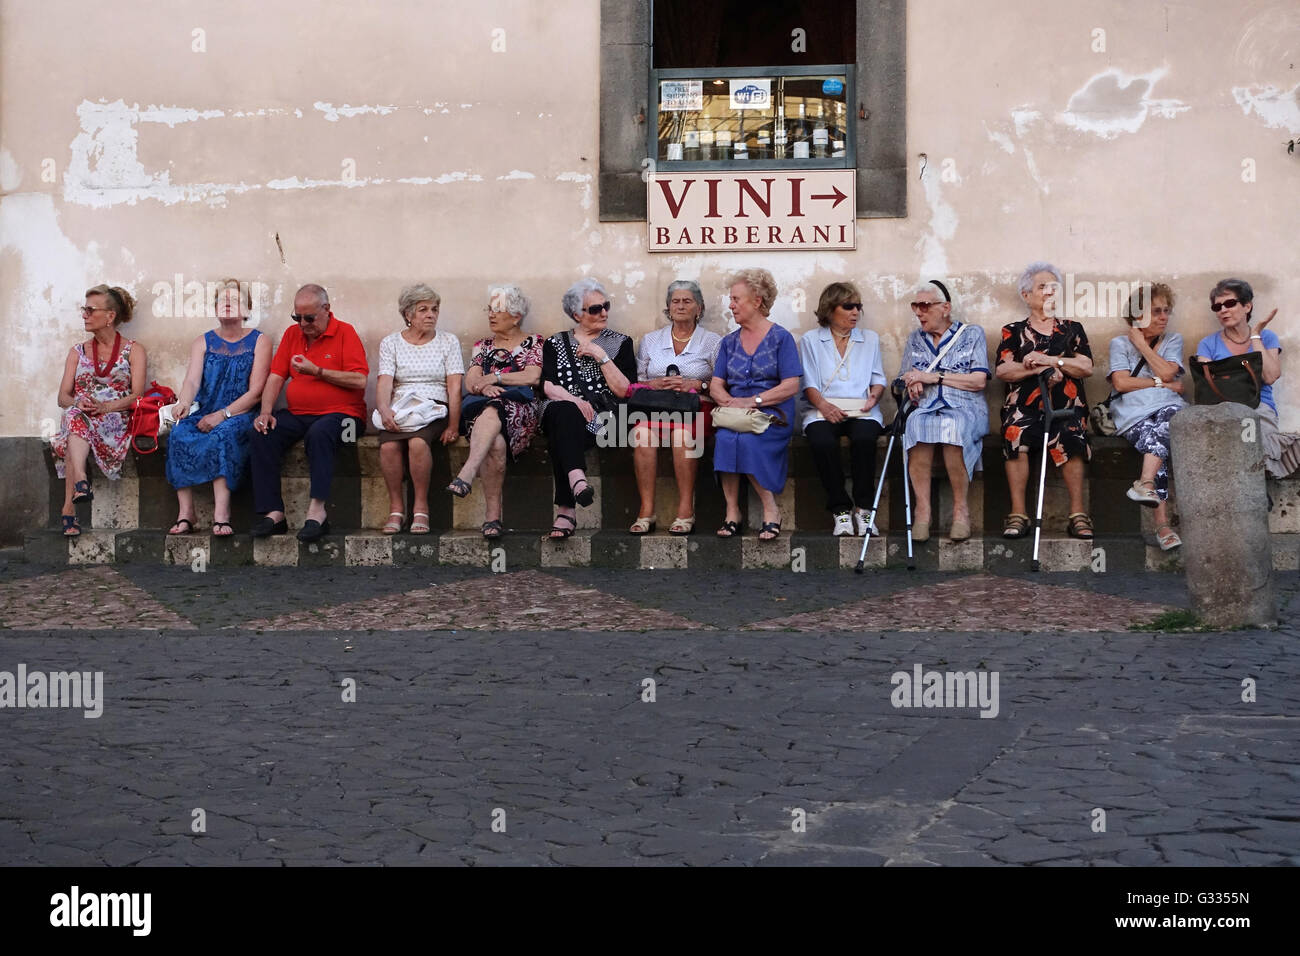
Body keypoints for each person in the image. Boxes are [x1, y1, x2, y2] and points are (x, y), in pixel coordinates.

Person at [249, 283, 368, 542]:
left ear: (326, 309)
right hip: (300, 413)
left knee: (321, 433)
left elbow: (359, 381)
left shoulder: (345, 333)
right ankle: (274, 513)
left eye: (309, 317)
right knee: (262, 432)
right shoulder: (293, 335)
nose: (303, 323)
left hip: (346, 416)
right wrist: (265, 412)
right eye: (297, 317)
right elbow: (276, 377)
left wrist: (318, 372)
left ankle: (317, 513)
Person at [995, 262, 1095, 540]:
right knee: (1014, 432)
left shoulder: (1073, 328)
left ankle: (1077, 514)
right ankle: (1018, 513)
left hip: (1066, 405)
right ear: (1026, 295)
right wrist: (1040, 369)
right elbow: (1003, 371)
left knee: (1071, 432)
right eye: (1042, 286)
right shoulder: (1012, 331)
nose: (1049, 291)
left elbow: (1086, 366)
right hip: (1024, 406)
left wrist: (1052, 360)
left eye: (1054, 286)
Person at [165, 279, 271, 536]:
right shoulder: (202, 341)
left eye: (234, 301)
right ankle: (185, 513)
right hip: (206, 410)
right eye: (221, 301)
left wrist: (223, 415)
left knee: (223, 435)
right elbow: (192, 380)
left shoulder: (260, 341)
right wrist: (184, 402)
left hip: (240, 413)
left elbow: (256, 392)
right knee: (179, 433)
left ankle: (222, 515)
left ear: (247, 310)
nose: (226, 305)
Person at [539, 278, 636, 539]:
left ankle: (566, 510)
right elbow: (547, 385)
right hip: (562, 407)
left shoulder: (620, 342)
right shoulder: (555, 343)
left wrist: (600, 356)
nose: (603, 312)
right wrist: (576, 401)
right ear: (576, 314)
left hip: (606, 416)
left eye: (606, 306)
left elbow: (626, 390)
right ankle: (578, 482)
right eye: (595, 309)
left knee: (562, 430)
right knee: (564, 412)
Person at [710, 268, 802, 541]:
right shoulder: (729, 342)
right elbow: (716, 382)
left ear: (757, 301)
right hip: (737, 411)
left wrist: (753, 401)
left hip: (773, 413)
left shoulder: (781, 338)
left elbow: (791, 385)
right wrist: (727, 401)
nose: (731, 305)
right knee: (726, 439)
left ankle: (770, 509)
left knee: (747, 442)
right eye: (731, 299)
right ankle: (732, 511)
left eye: (737, 299)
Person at [448, 284, 544, 538]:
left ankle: (469, 474)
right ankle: (492, 517)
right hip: (484, 408)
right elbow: (471, 383)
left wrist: (495, 379)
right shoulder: (483, 345)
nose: (491, 314)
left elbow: (533, 377)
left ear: (516, 316)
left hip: (521, 411)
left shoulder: (535, 342)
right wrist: (486, 385)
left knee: (495, 409)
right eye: (489, 309)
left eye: (497, 310)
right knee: (495, 437)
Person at [897, 279, 990, 542]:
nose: (918, 312)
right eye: (915, 306)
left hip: (965, 407)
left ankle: (961, 511)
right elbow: (902, 377)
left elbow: (978, 381)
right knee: (914, 425)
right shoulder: (915, 339)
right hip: (926, 407)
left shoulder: (972, 334)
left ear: (945, 308)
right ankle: (922, 511)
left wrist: (934, 377)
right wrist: (911, 383)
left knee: (954, 427)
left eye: (924, 305)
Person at [52, 285, 147, 536]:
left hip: (115, 418)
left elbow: (137, 395)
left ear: (110, 316)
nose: (84, 315)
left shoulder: (134, 350)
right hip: (81, 415)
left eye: (90, 310)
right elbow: (63, 396)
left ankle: (68, 508)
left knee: (74, 427)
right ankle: (81, 482)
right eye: (84, 309)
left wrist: (105, 406)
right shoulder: (77, 352)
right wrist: (77, 402)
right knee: (73, 417)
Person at [629, 280, 721, 535]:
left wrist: (697, 384)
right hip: (658, 407)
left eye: (687, 301)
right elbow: (637, 381)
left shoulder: (713, 342)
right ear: (668, 307)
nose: (680, 306)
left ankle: (685, 511)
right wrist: (654, 384)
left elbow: (723, 383)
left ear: (699, 308)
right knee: (641, 434)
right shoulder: (651, 340)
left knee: (682, 435)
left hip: (697, 409)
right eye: (675, 301)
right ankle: (647, 510)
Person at [373, 284, 462, 535]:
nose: (431, 314)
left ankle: (421, 507)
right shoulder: (391, 343)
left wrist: (454, 425)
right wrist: (384, 409)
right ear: (408, 315)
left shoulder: (448, 341)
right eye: (423, 309)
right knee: (389, 445)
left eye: (434, 309)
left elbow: (455, 387)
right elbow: (385, 382)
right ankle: (396, 508)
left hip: (435, 408)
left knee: (417, 443)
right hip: (401, 407)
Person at [798, 281, 885, 537]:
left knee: (865, 438)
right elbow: (808, 383)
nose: (855, 312)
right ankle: (840, 510)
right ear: (830, 308)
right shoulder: (811, 340)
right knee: (822, 441)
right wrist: (824, 406)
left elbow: (878, 378)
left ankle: (864, 509)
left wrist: (874, 397)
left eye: (858, 306)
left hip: (861, 408)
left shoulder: (870, 339)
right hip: (820, 409)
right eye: (848, 306)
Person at [1193, 278, 1298, 479]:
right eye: (1217, 306)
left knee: (1252, 437)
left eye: (1230, 303)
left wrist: (1256, 337)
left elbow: (1270, 376)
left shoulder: (1267, 337)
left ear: (1247, 306)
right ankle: (1248, 492)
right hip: (1222, 408)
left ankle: (1253, 491)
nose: (1223, 310)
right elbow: (1206, 385)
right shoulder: (1208, 344)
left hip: (1259, 406)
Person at [1108, 282, 1186, 551]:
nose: (1164, 317)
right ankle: (1162, 525)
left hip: (1167, 409)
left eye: (1166, 310)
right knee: (1159, 442)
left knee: (1168, 422)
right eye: (1156, 311)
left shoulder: (1173, 340)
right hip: (1133, 415)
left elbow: (1169, 372)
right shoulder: (1119, 344)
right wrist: (1161, 384)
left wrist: (1142, 346)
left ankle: (1146, 484)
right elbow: (1120, 384)